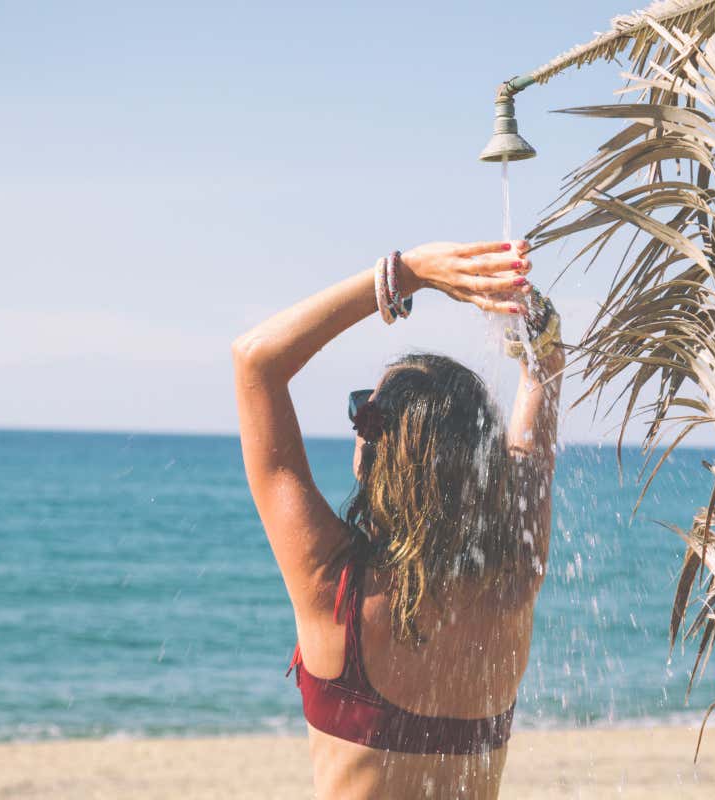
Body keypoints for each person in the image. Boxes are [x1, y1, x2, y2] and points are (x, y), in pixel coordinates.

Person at [232, 240, 562, 799]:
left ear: (374, 442)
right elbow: (543, 378)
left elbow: (255, 359)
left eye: (363, 408)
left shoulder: (330, 585)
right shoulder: (514, 576)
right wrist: (534, 329)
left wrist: (409, 274)